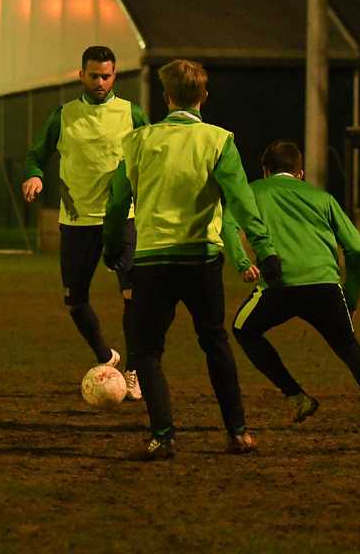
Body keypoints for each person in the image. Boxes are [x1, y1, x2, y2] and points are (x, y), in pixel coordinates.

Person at [103, 59, 282, 460]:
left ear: (166, 98)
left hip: (151, 262)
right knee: (214, 341)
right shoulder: (219, 141)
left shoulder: (137, 141)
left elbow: (116, 203)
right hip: (201, 260)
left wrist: (113, 245)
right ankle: (238, 432)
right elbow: (243, 201)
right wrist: (265, 250)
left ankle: (163, 435)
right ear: (203, 96)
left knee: (147, 352)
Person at [223, 140, 360, 434]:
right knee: (349, 348)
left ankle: (296, 397)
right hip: (325, 286)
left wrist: (243, 263)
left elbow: (227, 227)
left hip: (279, 285)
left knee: (244, 329)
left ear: (266, 171)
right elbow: (357, 247)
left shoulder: (253, 191)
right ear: (301, 173)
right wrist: (352, 296)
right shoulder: (322, 197)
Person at [22, 46, 147, 400]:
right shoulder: (64, 115)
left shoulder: (132, 114)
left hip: (123, 220)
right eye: (93, 75)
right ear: (81, 75)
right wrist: (34, 175)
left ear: (115, 75)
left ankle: (134, 370)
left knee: (133, 297)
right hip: (76, 222)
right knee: (74, 302)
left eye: (106, 75)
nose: (100, 82)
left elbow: (153, 155)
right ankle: (106, 358)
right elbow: (36, 154)